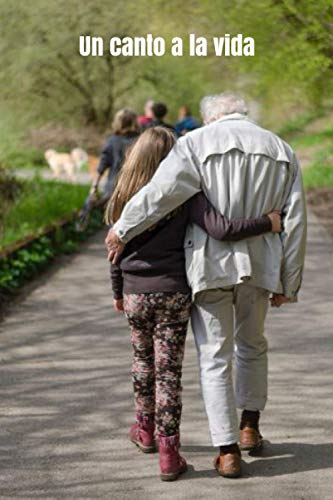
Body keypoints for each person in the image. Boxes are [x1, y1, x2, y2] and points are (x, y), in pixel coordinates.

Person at [105, 92, 307, 479]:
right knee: (253, 345)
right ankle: (250, 425)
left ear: (210, 118)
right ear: (243, 113)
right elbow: (294, 221)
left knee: (215, 357)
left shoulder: (194, 144)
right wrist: (290, 281)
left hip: (210, 266)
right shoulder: (281, 148)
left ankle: (227, 451)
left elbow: (160, 194)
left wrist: (121, 229)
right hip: (261, 265)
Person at [77, 109, 140, 230]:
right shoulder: (142, 140)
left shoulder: (112, 141)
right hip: (137, 188)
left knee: (115, 227)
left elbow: (102, 166)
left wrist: (94, 186)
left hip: (114, 189)